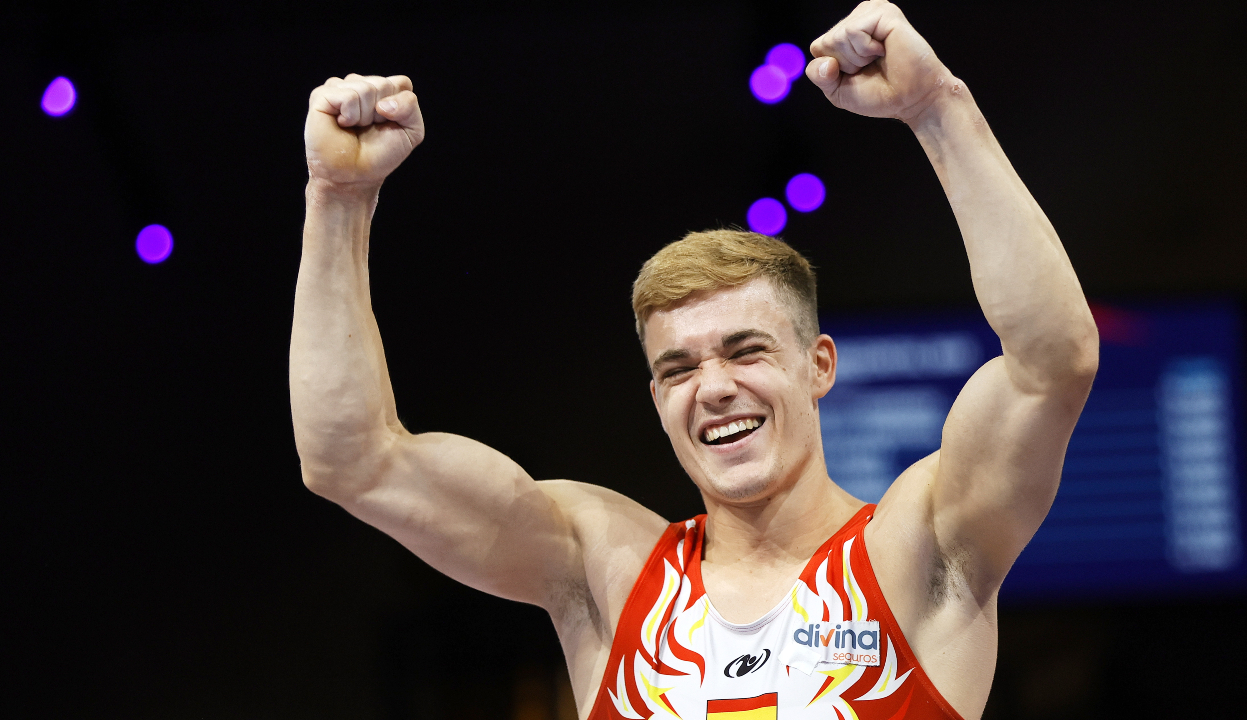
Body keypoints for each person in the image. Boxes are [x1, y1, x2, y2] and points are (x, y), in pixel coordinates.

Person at [289, 2, 1098, 717]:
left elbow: (1052, 363)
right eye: (679, 369)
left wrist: (936, 107)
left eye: (746, 351)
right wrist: (338, 197)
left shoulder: (917, 548)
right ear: (656, 398)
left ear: (819, 366)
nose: (713, 388)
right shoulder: (604, 569)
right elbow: (352, 461)